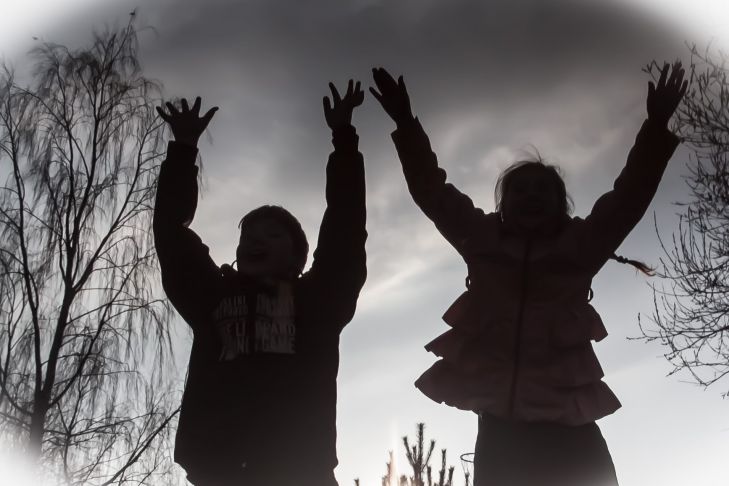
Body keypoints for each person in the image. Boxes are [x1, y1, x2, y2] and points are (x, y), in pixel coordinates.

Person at [370, 64, 687, 486]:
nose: (531, 197)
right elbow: (433, 192)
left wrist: (655, 127)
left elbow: (629, 197)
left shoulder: (581, 246)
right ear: (503, 205)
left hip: (569, 428)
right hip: (502, 429)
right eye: (520, 190)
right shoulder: (482, 240)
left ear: (561, 204)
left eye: (543, 190)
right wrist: (406, 124)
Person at [153, 81, 367, 486]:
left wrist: (344, 141)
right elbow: (170, 235)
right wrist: (182, 150)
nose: (255, 241)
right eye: (248, 235)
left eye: (271, 235)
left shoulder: (318, 301)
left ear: (297, 254)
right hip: (218, 473)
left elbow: (345, 230)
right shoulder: (212, 296)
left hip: (300, 474)